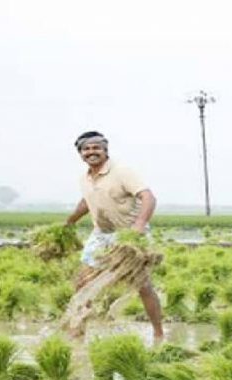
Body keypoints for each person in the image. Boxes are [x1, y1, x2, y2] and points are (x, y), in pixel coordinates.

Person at [65, 131, 164, 340]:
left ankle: (158, 334)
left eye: (96, 148)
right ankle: (77, 332)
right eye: (86, 149)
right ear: (81, 154)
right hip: (101, 234)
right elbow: (87, 201)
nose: (91, 152)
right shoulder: (84, 178)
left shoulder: (122, 172)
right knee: (83, 283)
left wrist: (139, 225)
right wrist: (70, 221)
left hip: (130, 235)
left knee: (142, 285)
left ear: (104, 150)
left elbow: (148, 196)